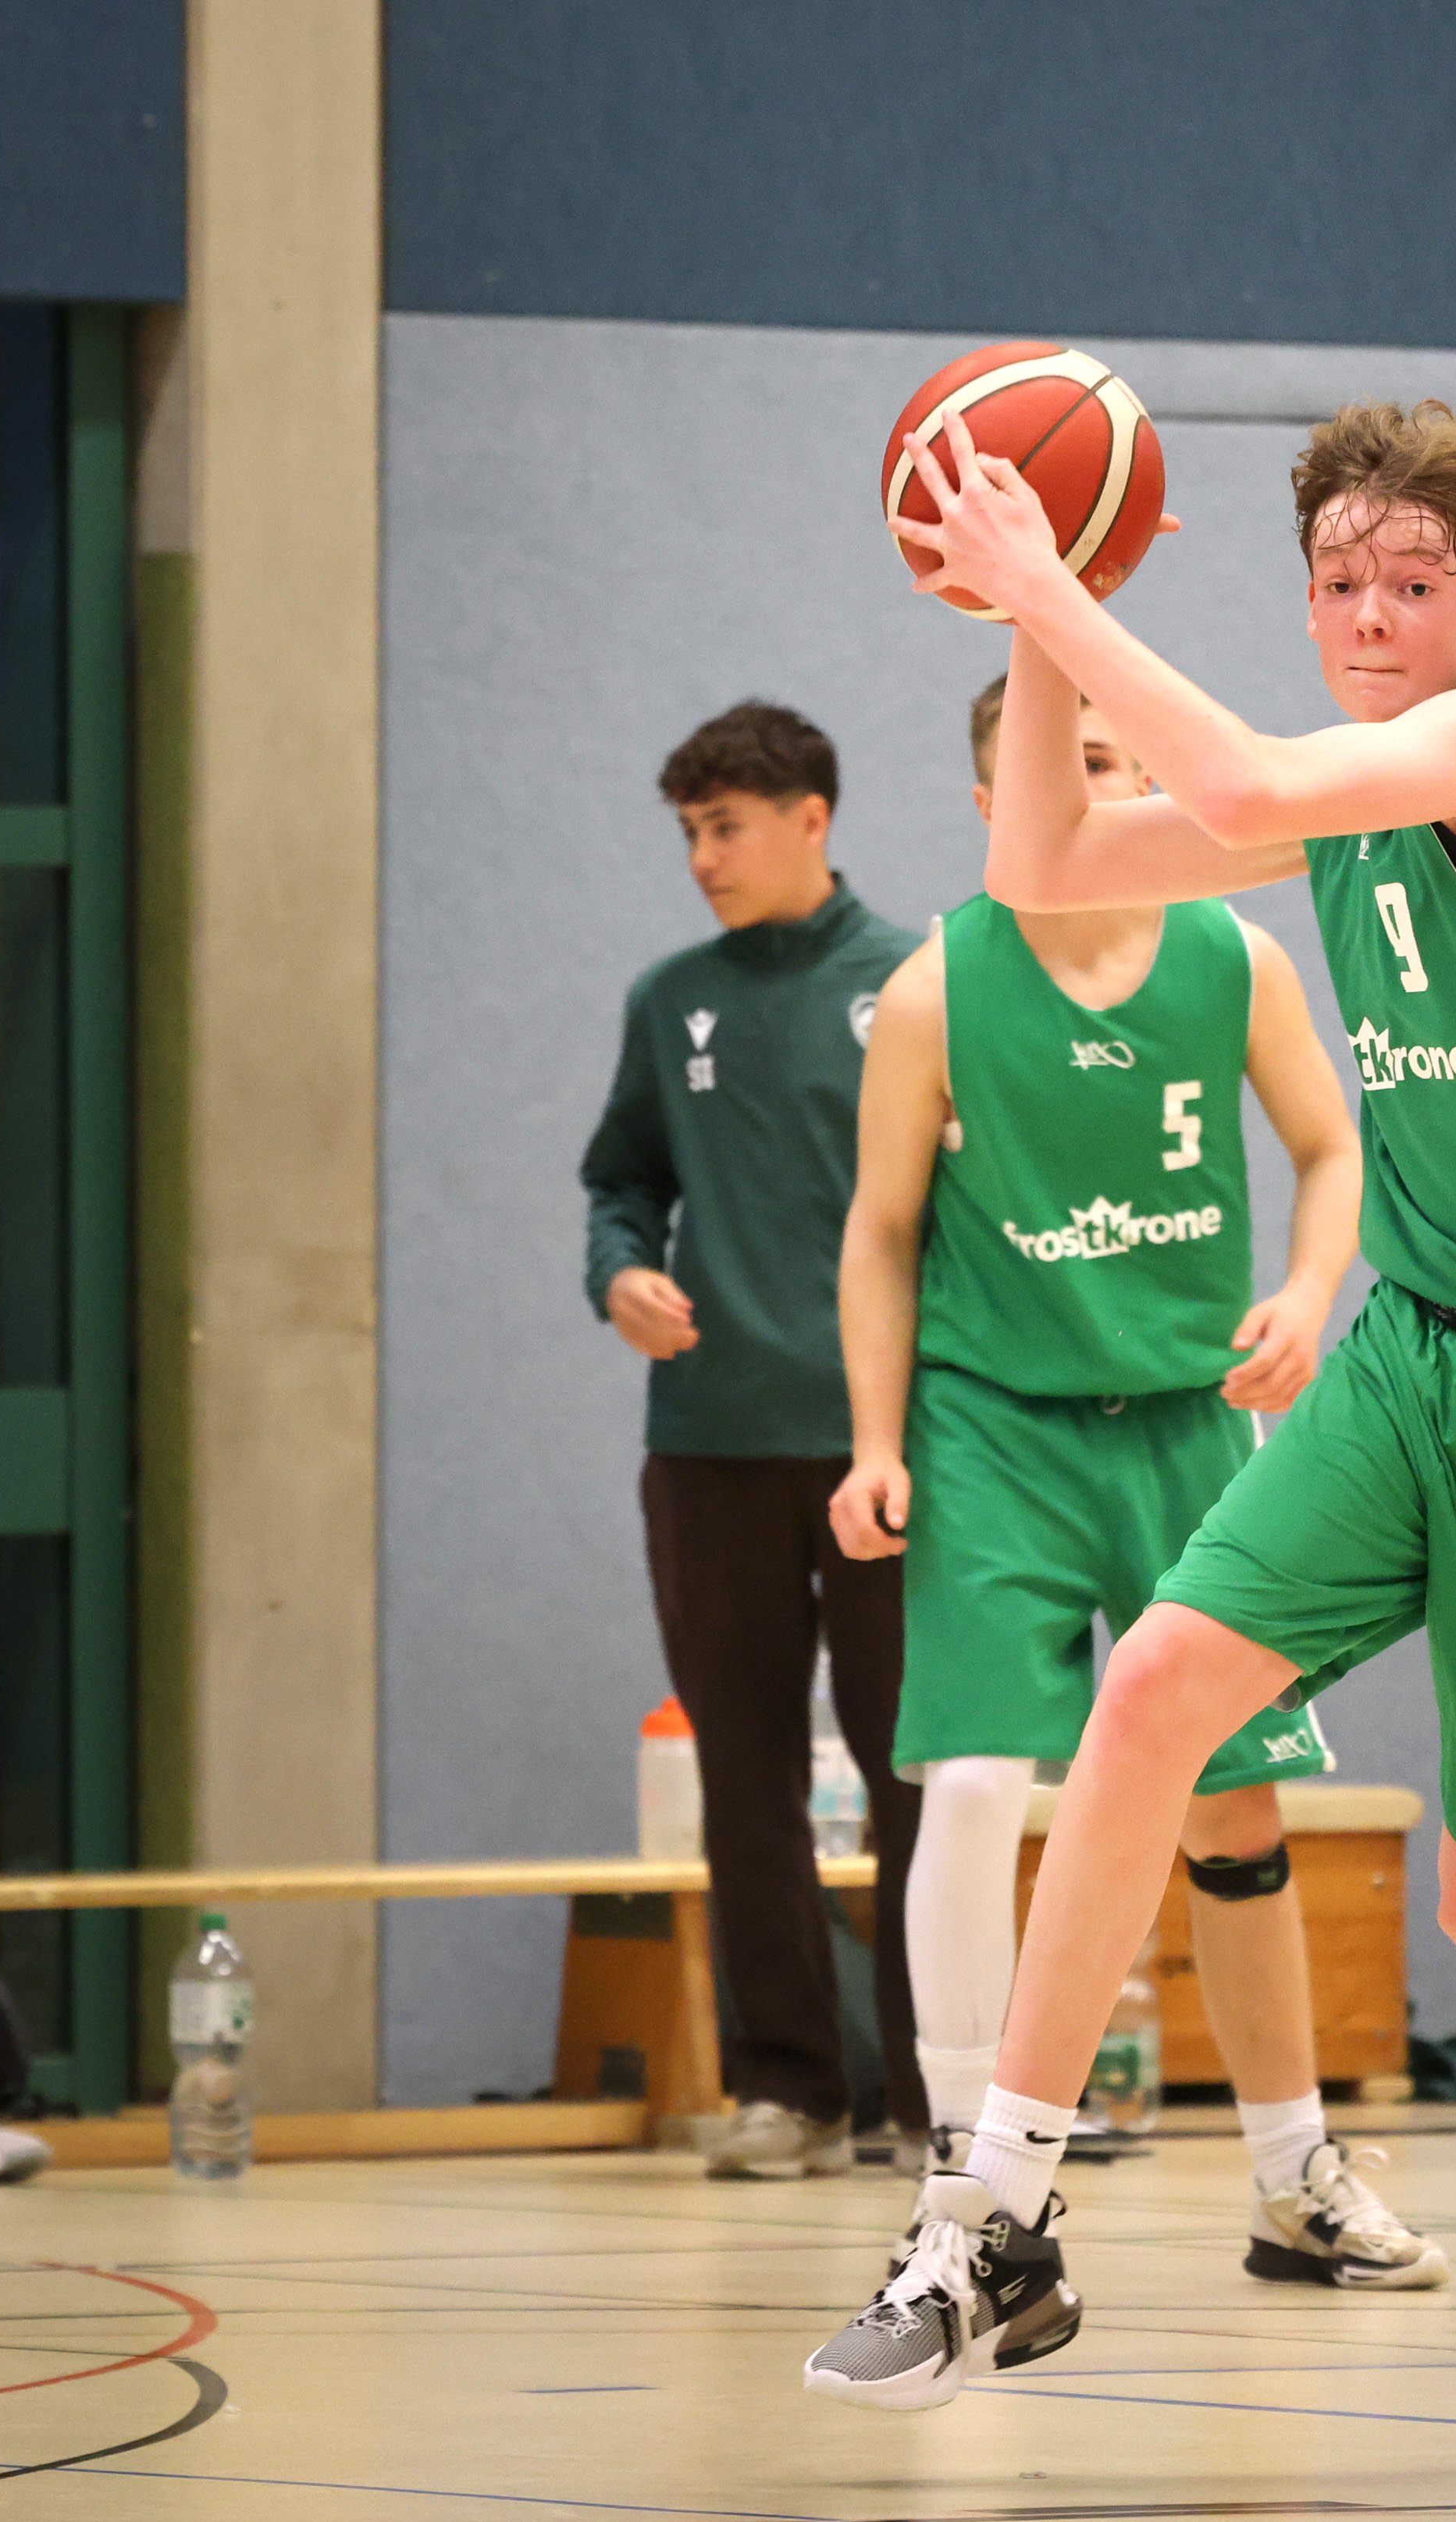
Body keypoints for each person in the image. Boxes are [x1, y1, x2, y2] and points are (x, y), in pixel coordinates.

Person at [846, 394, 1456, 2413]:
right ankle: (997, 2215)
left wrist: (1053, 578)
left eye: (1413, 583)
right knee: (1150, 1694)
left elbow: (1235, 772)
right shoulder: (1350, 796)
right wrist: (1043, 620)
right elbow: (1041, 856)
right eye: (1337, 582)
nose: (1371, 614)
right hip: (1420, 1346)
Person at [803, 679, 1442, 2409]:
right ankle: (966, 2180)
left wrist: (1309, 1290)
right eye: (1068, 764)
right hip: (992, 1425)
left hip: (1182, 1419)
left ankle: (1296, 2174)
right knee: (972, 1780)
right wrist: (876, 1438)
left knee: (1234, 1807)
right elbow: (879, 1229)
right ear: (994, 800)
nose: (1102, 787)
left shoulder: (1236, 958)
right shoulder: (935, 988)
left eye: (1122, 763)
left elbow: (1331, 1145)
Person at [581, 701, 928, 2178]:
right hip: (710, 1441)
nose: (703, 858)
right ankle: (792, 2088)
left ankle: (938, 2092)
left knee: (923, 1770)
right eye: (689, 833)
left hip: (889, 1441)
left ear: (811, 819)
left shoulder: (918, 980)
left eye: (725, 827)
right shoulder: (672, 1002)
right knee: (744, 1771)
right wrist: (617, 1274)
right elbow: (621, 1182)